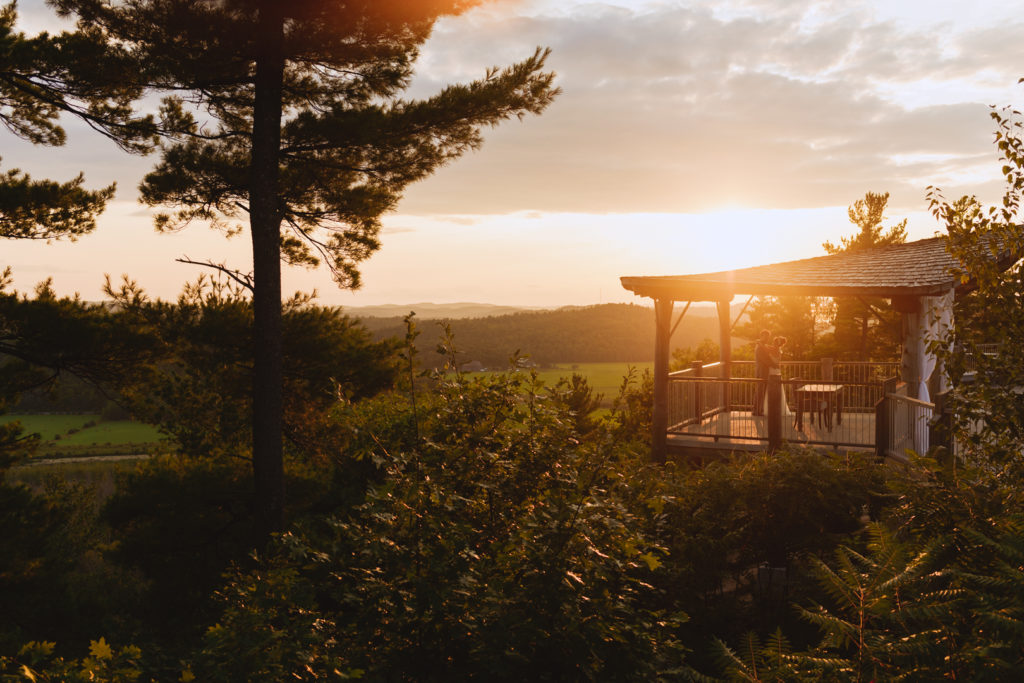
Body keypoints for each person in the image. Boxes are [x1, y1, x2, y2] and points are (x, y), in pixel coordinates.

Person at [762, 336, 792, 416]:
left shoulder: (774, 349)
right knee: (776, 389)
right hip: (776, 370)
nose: (773, 343)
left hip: (773, 370)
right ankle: (777, 409)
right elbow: (767, 346)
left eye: (774, 342)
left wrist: (760, 343)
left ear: (777, 343)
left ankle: (772, 409)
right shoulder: (777, 349)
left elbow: (765, 348)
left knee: (771, 389)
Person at [753, 329, 773, 415]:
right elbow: (765, 360)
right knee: (760, 391)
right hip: (761, 372)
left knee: (762, 391)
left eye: (768, 337)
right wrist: (774, 364)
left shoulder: (763, 345)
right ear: (761, 336)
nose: (767, 338)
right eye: (765, 336)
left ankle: (759, 410)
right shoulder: (759, 347)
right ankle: (756, 411)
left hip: (764, 371)